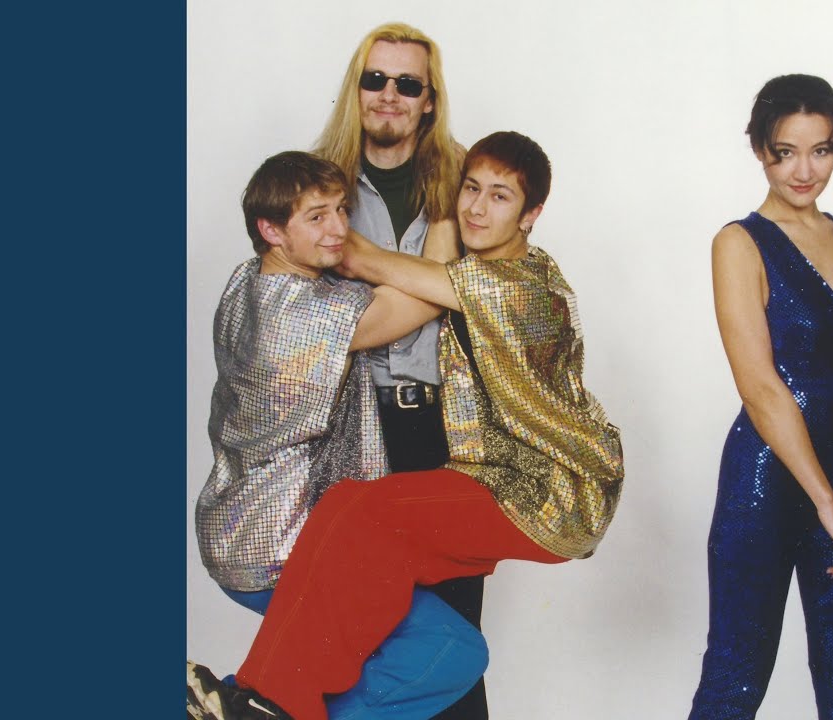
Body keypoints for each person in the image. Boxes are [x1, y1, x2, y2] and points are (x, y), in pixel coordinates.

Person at [202, 131, 624, 720]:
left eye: (500, 196)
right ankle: (273, 705)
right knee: (449, 646)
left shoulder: (517, 287)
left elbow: (379, 266)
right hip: (474, 475)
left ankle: (260, 702)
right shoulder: (275, 300)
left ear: (532, 215)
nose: (477, 208)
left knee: (362, 514)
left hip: (548, 488)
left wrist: (414, 216)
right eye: (469, 190)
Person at [189, 151, 489, 720]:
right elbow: (429, 295)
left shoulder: (247, 280)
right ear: (271, 230)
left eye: (341, 210)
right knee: (452, 650)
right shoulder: (302, 314)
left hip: (240, 530)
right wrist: (445, 210)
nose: (338, 229)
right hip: (278, 549)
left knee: (405, 654)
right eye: (316, 217)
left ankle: (242, 705)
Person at [687, 74, 833, 720]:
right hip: (766, 479)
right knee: (735, 677)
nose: (805, 171)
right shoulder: (738, 243)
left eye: (821, 150)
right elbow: (761, 388)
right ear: (759, 151)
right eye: (786, 152)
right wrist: (826, 502)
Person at [313, 25, 489, 720]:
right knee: (357, 632)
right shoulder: (314, 185)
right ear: (356, 89)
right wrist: (436, 282)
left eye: (407, 83)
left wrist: (363, 266)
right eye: (375, 79)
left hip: (445, 431)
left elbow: (490, 297)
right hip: (346, 428)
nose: (389, 95)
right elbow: (312, 324)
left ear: (429, 99)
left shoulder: (470, 186)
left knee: (451, 636)